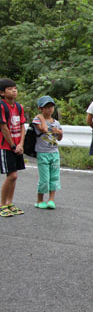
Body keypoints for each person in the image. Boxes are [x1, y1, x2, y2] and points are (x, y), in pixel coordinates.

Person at [0, 78, 25, 217]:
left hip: (17, 146)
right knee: (12, 175)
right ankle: (2, 204)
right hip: (5, 146)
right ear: (2, 93)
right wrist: (13, 145)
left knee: (14, 176)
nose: (14, 90)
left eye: (15, 88)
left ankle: (10, 203)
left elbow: (22, 126)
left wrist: (21, 144)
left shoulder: (19, 107)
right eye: (10, 89)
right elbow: (3, 127)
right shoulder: (2, 106)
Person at [33, 96, 63, 209]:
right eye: (46, 107)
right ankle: (40, 200)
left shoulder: (57, 123)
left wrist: (59, 132)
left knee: (54, 177)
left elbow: (60, 138)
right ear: (40, 108)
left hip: (54, 152)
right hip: (42, 152)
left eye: (51, 106)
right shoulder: (37, 120)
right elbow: (44, 130)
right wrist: (41, 117)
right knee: (44, 179)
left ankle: (51, 199)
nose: (49, 109)